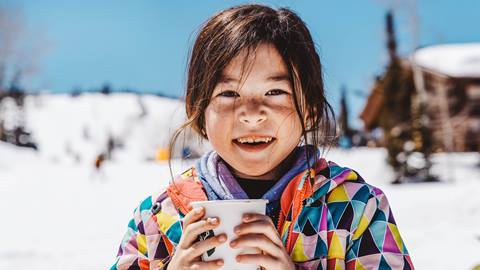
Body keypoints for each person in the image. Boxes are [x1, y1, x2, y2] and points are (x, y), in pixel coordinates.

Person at [111, 4, 414, 270]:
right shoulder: (156, 221)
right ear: (199, 110)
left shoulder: (356, 210)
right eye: (229, 93)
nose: (252, 114)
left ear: (309, 109)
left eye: (275, 92)